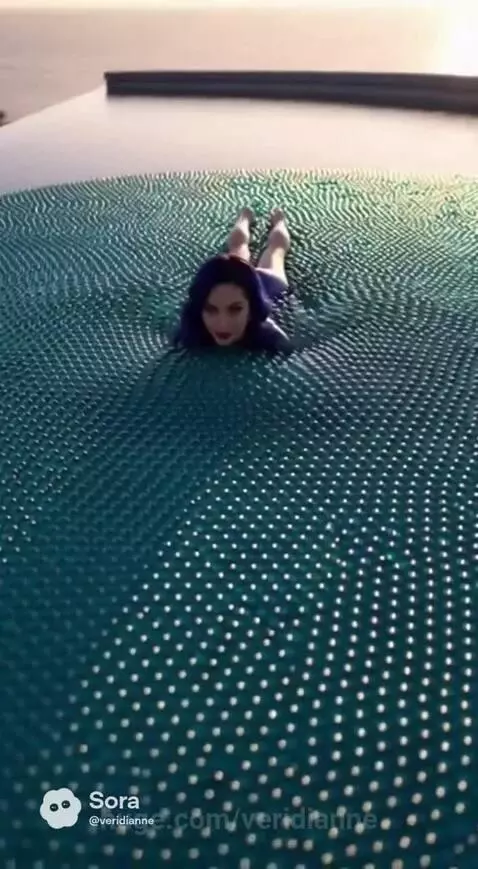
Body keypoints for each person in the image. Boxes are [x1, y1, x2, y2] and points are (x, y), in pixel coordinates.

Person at [172, 207, 293, 353]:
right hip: (238, 280)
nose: (223, 325)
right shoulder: (191, 330)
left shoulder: (269, 334)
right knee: (237, 248)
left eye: (235, 309)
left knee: (276, 250)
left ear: (251, 311)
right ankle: (245, 216)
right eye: (210, 309)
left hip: (271, 285)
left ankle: (278, 220)